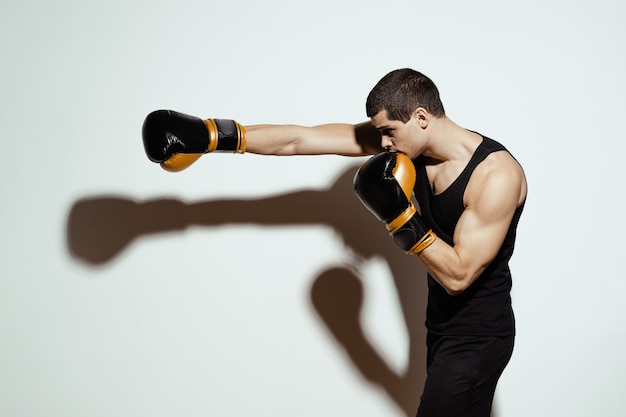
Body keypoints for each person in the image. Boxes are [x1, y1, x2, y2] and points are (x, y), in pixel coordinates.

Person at [142, 68, 527, 417]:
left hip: (480, 335)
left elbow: (459, 276)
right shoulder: (407, 143)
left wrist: (400, 216)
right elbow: (300, 139)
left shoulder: (495, 176)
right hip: (441, 327)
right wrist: (216, 135)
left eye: (388, 132)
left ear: (421, 118)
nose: (382, 143)